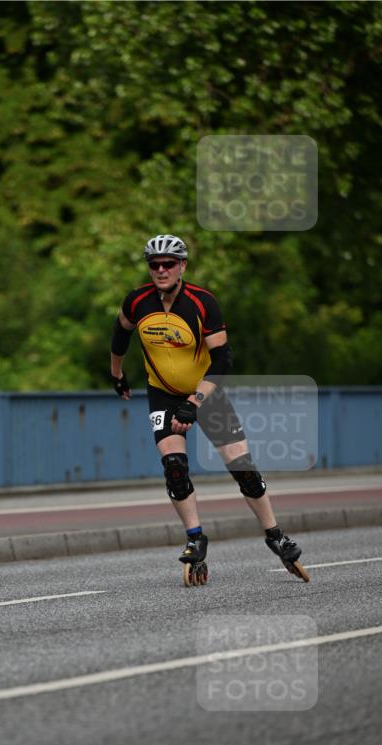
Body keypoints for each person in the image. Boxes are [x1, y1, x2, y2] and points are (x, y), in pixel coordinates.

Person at [110, 233, 303, 574]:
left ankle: (275, 535)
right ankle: (195, 537)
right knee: (174, 468)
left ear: (182, 265)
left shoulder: (202, 302)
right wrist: (117, 373)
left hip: (207, 394)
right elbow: (121, 331)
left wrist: (195, 401)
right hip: (162, 393)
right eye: (154, 264)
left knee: (243, 468)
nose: (160, 270)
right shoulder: (137, 301)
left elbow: (223, 360)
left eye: (168, 264)